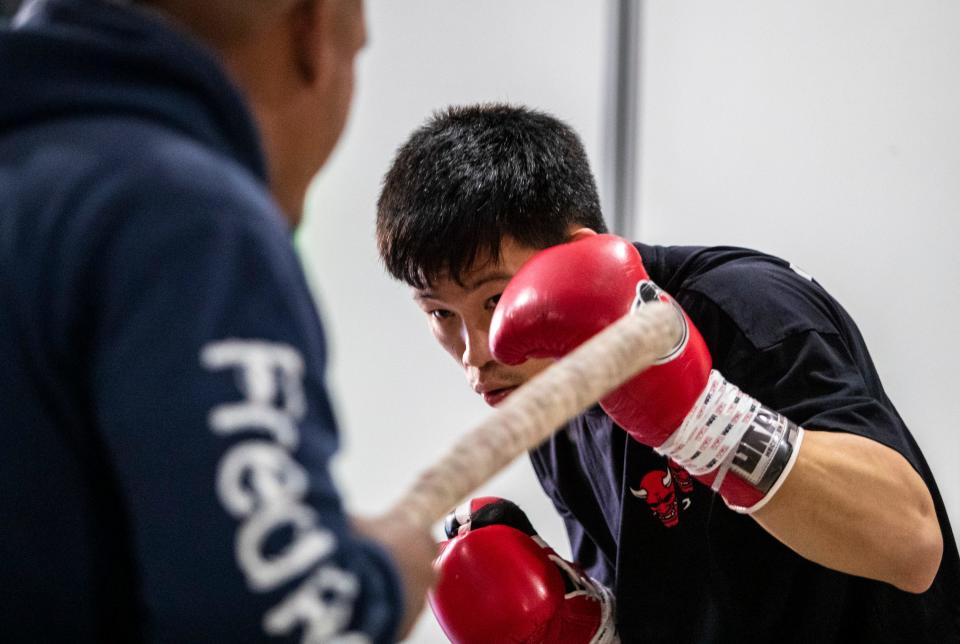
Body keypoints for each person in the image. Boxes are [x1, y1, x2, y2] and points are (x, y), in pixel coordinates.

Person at [375, 103, 960, 642]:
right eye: (440, 314)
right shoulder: (547, 398)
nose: (478, 350)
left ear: (577, 251)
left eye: (496, 300)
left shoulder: (741, 310)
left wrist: (705, 422)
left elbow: (912, 545)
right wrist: (588, 627)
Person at [0, 0, 434, 641]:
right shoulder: (190, 220)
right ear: (312, 36)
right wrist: (390, 574)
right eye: (356, 50)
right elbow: (273, 623)